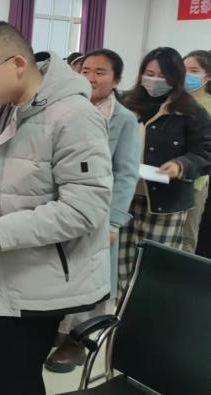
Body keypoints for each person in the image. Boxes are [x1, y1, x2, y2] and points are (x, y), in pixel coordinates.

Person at [0, 21, 113, 395]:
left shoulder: (74, 117)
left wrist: (0, 231)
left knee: (17, 374)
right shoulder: (2, 108)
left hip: (38, 275)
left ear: (17, 63)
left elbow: (84, 209)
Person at [46, 49, 141, 373]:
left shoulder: (123, 119)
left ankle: (77, 341)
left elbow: (126, 173)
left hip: (99, 213)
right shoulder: (64, 107)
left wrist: (113, 221)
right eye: (85, 70)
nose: (90, 78)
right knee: (60, 271)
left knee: (89, 275)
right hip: (63, 205)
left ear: (116, 80)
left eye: (100, 72)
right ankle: (54, 332)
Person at [119, 48, 211, 293]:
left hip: (165, 202)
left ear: (175, 77)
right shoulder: (128, 104)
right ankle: (120, 310)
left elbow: (206, 151)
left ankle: (149, 310)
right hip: (124, 197)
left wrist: (181, 165)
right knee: (120, 265)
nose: (154, 80)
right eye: (149, 74)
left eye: (162, 75)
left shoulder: (191, 111)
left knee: (154, 268)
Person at [181, 50, 211, 254]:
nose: (186, 76)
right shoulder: (172, 100)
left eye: (193, 71)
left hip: (196, 180)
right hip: (165, 176)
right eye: (183, 70)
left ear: (207, 77)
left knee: (186, 234)